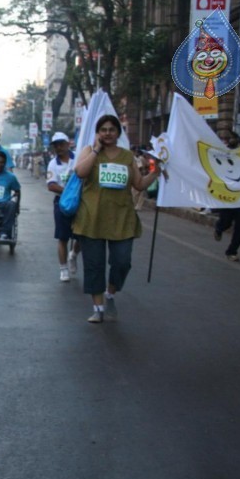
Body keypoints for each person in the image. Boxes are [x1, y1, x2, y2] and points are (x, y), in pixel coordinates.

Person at [73, 114, 164, 323]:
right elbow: (80, 172)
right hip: (92, 218)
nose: (107, 133)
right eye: (103, 130)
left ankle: (110, 294)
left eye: (111, 129)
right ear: (98, 133)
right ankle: (98, 308)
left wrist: (155, 172)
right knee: (94, 265)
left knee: (122, 262)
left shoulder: (126, 156)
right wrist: (96, 150)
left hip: (122, 218)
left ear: (118, 132)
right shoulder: (89, 151)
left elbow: (139, 184)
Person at [46, 132, 81, 282]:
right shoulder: (53, 164)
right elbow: (51, 185)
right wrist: (69, 192)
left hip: (80, 202)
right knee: (62, 237)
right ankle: (63, 268)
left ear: (68, 144)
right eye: (56, 145)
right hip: (62, 203)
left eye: (61, 144)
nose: (59, 147)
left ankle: (73, 254)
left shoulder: (79, 158)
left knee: (82, 235)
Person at [213, 131, 240, 262]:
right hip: (228, 197)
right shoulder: (229, 156)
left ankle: (232, 251)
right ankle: (219, 227)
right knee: (226, 221)